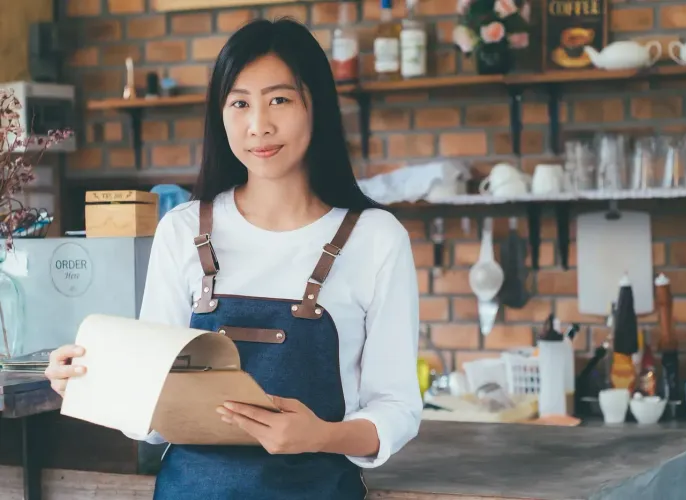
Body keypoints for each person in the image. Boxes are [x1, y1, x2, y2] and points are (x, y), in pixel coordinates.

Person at [44, 17, 422, 500]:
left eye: (279, 100)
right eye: (240, 103)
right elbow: (152, 420)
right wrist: (87, 382)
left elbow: (397, 408)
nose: (258, 125)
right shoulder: (183, 230)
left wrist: (321, 436)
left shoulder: (375, 238)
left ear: (317, 107)